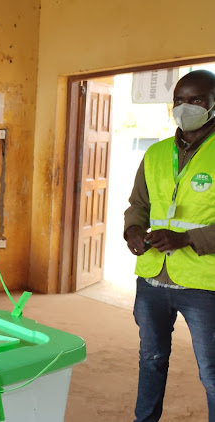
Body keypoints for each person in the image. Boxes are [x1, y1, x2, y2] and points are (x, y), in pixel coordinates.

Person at [124, 69, 215, 422]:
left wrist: (188, 238)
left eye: (196, 100)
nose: (185, 107)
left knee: (211, 372)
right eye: (179, 100)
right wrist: (133, 230)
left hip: (203, 285)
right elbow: (138, 205)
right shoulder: (157, 153)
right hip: (153, 279)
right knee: (151, 359)